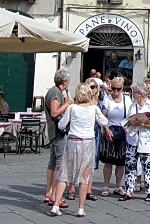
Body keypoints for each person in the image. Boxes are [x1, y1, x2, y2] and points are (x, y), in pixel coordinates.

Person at [49, 82, 112, 217]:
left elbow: (61, 125)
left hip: (73, 141)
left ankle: (55, 205)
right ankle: (81, 208)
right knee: (85, 175)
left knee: (64, 173)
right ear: (89, 94)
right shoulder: (93, 109)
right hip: (88, 142)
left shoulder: (72, 108)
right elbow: (104, 122)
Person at [118, 82, 150, 202]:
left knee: (147, 165)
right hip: (133, 139)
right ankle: (129, 190)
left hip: (146, 139)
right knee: (130, 165)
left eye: (134, 92)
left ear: (140, 94)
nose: (132, 94)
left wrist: (141, 123)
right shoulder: (133, 106)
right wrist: (128, 124)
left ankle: (149, 191)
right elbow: (128, 120)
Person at [44, 68, 74, 209]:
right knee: (59, 163)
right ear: (64, 81)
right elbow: (55, 112)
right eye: (68, 81)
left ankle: (49, 193)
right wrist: (67, 104)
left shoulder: (54, 91)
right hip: (58, 131)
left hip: (53, 131)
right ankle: (56, 195)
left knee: (52, 162)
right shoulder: (55, 92)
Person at [99, 76, 130, 197]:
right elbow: (103, 116)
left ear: (122, 88)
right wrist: (106, 130)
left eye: (118, 89)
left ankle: (118, 186)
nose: (116, 92)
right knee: (108, 161)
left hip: (123, 131)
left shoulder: (127, 100)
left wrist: (127, 127)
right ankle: (106, 186)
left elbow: (130, 115)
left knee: (121, 162)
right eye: (113, 89)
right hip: (110, 131)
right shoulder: (107, 100)